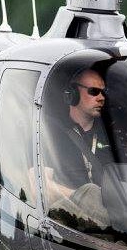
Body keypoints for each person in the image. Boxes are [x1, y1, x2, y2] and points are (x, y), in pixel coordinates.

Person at [42, 68, 114, 230]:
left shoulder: (111, 137)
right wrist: (83, 197)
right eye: (94, 91)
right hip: (71, 223)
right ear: (72, 94)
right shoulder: (51, 133)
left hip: (114, 222)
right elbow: (41, 187)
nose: (101, 98)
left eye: (104, 92)